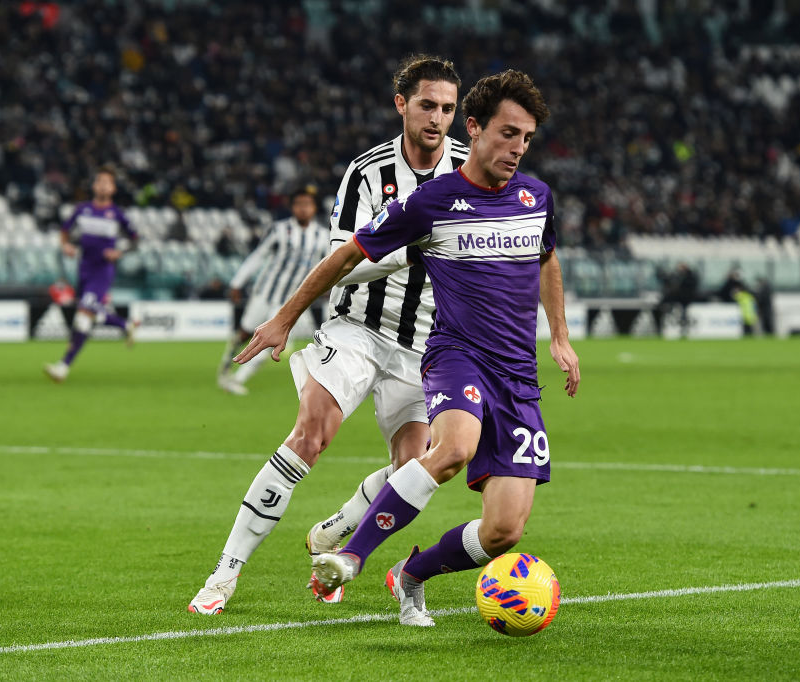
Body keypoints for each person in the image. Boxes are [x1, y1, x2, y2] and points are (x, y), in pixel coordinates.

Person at [236, 69, 580, 627]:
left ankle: (412, 574)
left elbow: (546, 258)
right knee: (452, 449)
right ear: (474, 127)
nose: (518, 148)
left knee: (503, 533)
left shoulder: (533, 196)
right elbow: (348, 254)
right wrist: (285, 318)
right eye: (507, 134)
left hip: (518, 378)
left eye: (527, 138)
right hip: (455, 355)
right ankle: (352, 556)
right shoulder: (432, 200)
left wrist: (560, 336)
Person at [188, 55, 468, 614]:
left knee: (412, 470)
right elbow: (343, 258)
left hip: (423, 345)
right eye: (427, 105)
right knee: (310, 435)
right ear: (402, 106)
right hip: (357, 326)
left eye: (448, 109)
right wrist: (406, 247)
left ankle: (335, 529)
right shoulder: (367, 171)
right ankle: (225, 572)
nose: (438, 119)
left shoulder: (468, 171)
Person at [217, 186, 331, 396]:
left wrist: (327, 288)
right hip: (264, 294)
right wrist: (237, 283)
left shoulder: (323, 236)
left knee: (271, 341)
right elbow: (258, 256)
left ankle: (237, 379)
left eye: (307, 205)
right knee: (243, 333)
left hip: (291, 301)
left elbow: (328, 266)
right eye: (299, 204)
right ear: (292, 207)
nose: (303, 209)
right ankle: (225, 368)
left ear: (314, 208)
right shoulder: (279, 230)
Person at [44, 166, 138, 383]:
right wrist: (65, 245)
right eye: (100, 181)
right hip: (84, 268)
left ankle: (125, 325)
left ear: (113, 189)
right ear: (95, 185)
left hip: (103, 270)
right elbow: (64, 230)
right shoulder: (82, 209)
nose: (103, 185)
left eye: (108, 182)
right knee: (83, 322)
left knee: (86, 307)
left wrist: (119, 252)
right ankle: (63, 368)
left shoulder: (117, 214)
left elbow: (135, 239)